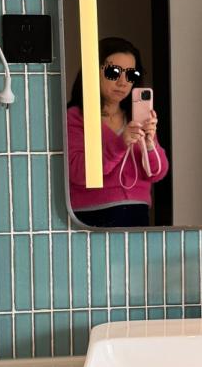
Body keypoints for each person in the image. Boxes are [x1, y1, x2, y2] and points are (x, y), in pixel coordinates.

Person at [66, 36, 169, 228]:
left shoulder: (137, 117)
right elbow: (77, 172)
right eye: (113, 72)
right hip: (93, 215)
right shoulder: (76, 117)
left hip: (137, 213)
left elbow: (157, 173)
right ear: (93, 71)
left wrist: (150, 144)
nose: (123, 82)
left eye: (131, 75)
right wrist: (120, 144)